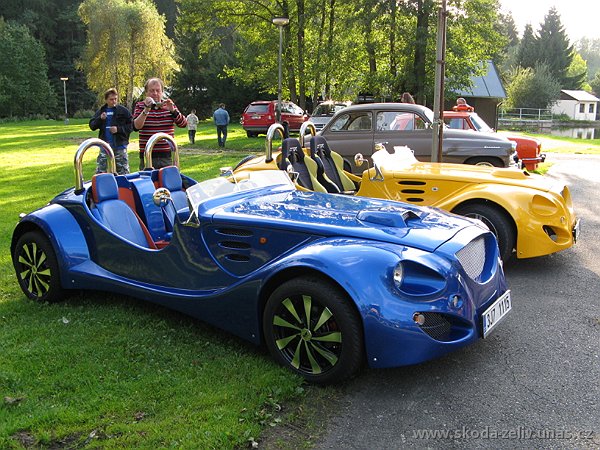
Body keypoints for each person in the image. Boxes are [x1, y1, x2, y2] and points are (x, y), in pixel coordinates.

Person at [133, 77, 187, 170]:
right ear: (146, 93)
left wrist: (173, 111)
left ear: (162, 92)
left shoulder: (169, 105)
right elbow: (136, 126)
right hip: (148, 156)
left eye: (158, 90)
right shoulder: (140, 106)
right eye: (151, 91)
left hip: (167, 156)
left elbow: (183, 124)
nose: (155, 93)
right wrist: (146, 110)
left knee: (169, 179)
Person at [89, 88, 133, 175]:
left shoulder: (123, 111)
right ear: (106, 100)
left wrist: (118, 129)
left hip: (120, 146)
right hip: (105, 147)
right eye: (111, 99)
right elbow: (92, 125)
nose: (114, 101)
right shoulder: (101, 111)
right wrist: (100, 119)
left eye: (115, 99)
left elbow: (131, 126)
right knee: (101, 172)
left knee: (123, 173)